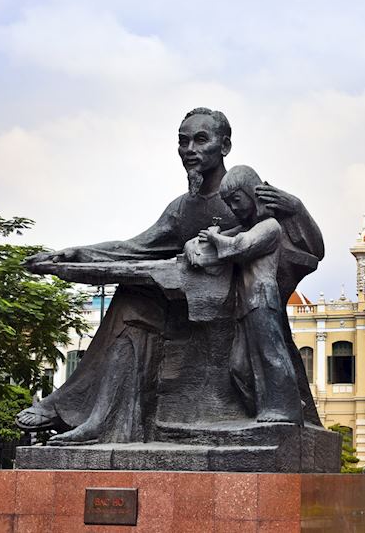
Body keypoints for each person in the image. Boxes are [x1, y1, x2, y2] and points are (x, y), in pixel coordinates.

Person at [16, 108, 323, 444]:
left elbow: (308, 248)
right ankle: (97, 418)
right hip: (185, 307)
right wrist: (77, 253)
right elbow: (134, 247)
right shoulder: (182, 208)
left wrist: (296, 209)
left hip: (236, 314)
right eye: (183, 142)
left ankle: (77, 411)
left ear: (225, 145)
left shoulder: (246, 193)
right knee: (130, 300)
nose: (190, 149)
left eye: (200, 140)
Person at [200, 165, 302, 424]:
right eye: (229, 203)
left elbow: (239, 247)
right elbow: (217, 241)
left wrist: (214, 238)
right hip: (245, 303)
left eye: (237, 200)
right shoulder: (249, 227)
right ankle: (274, 402)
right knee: (238, 366)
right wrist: (202, 241)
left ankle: (286, 408)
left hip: (262, 298)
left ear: (252, 194)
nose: (234, 209)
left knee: (271, 354)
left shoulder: (270, 227)